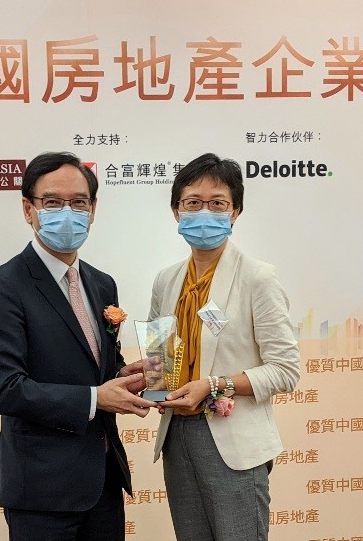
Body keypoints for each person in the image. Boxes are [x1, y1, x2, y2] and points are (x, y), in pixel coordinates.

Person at [0, 151, 155, 541]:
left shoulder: (101, 283)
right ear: (29, 209)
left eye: (79, 202)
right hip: (42, 488)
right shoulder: (4, 286)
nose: (68, 213)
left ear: (93, 210)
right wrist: (95, 398)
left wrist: (125, 376)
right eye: (53, 202)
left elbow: (99, 366)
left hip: (103, 480)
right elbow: (4, 389)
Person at [149, 153, 301, 541]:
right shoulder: (166, 280)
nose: (205, 212)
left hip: (233, 440)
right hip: (176, 434)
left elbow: (285, 370)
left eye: (217, 203)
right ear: (176, 211)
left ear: (235, 212)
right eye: (193, 203)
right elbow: (159, 357)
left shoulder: (257, 277)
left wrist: (214, 385)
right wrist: (148, 380)